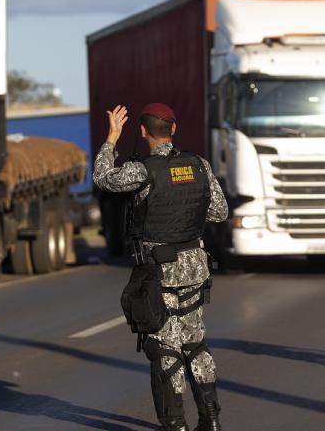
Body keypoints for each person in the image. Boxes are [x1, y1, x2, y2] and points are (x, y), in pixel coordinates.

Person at [93, 104, 228, 431]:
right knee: (195, 343)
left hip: (159, 273)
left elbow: (102, 178)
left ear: (142, 132)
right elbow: (219, 212)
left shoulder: (143, 170)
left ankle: (174, 424)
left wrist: (111, 139)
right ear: (174, 128)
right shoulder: (199, 165)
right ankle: (210, 420)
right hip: (195, 268)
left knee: (164, 348)